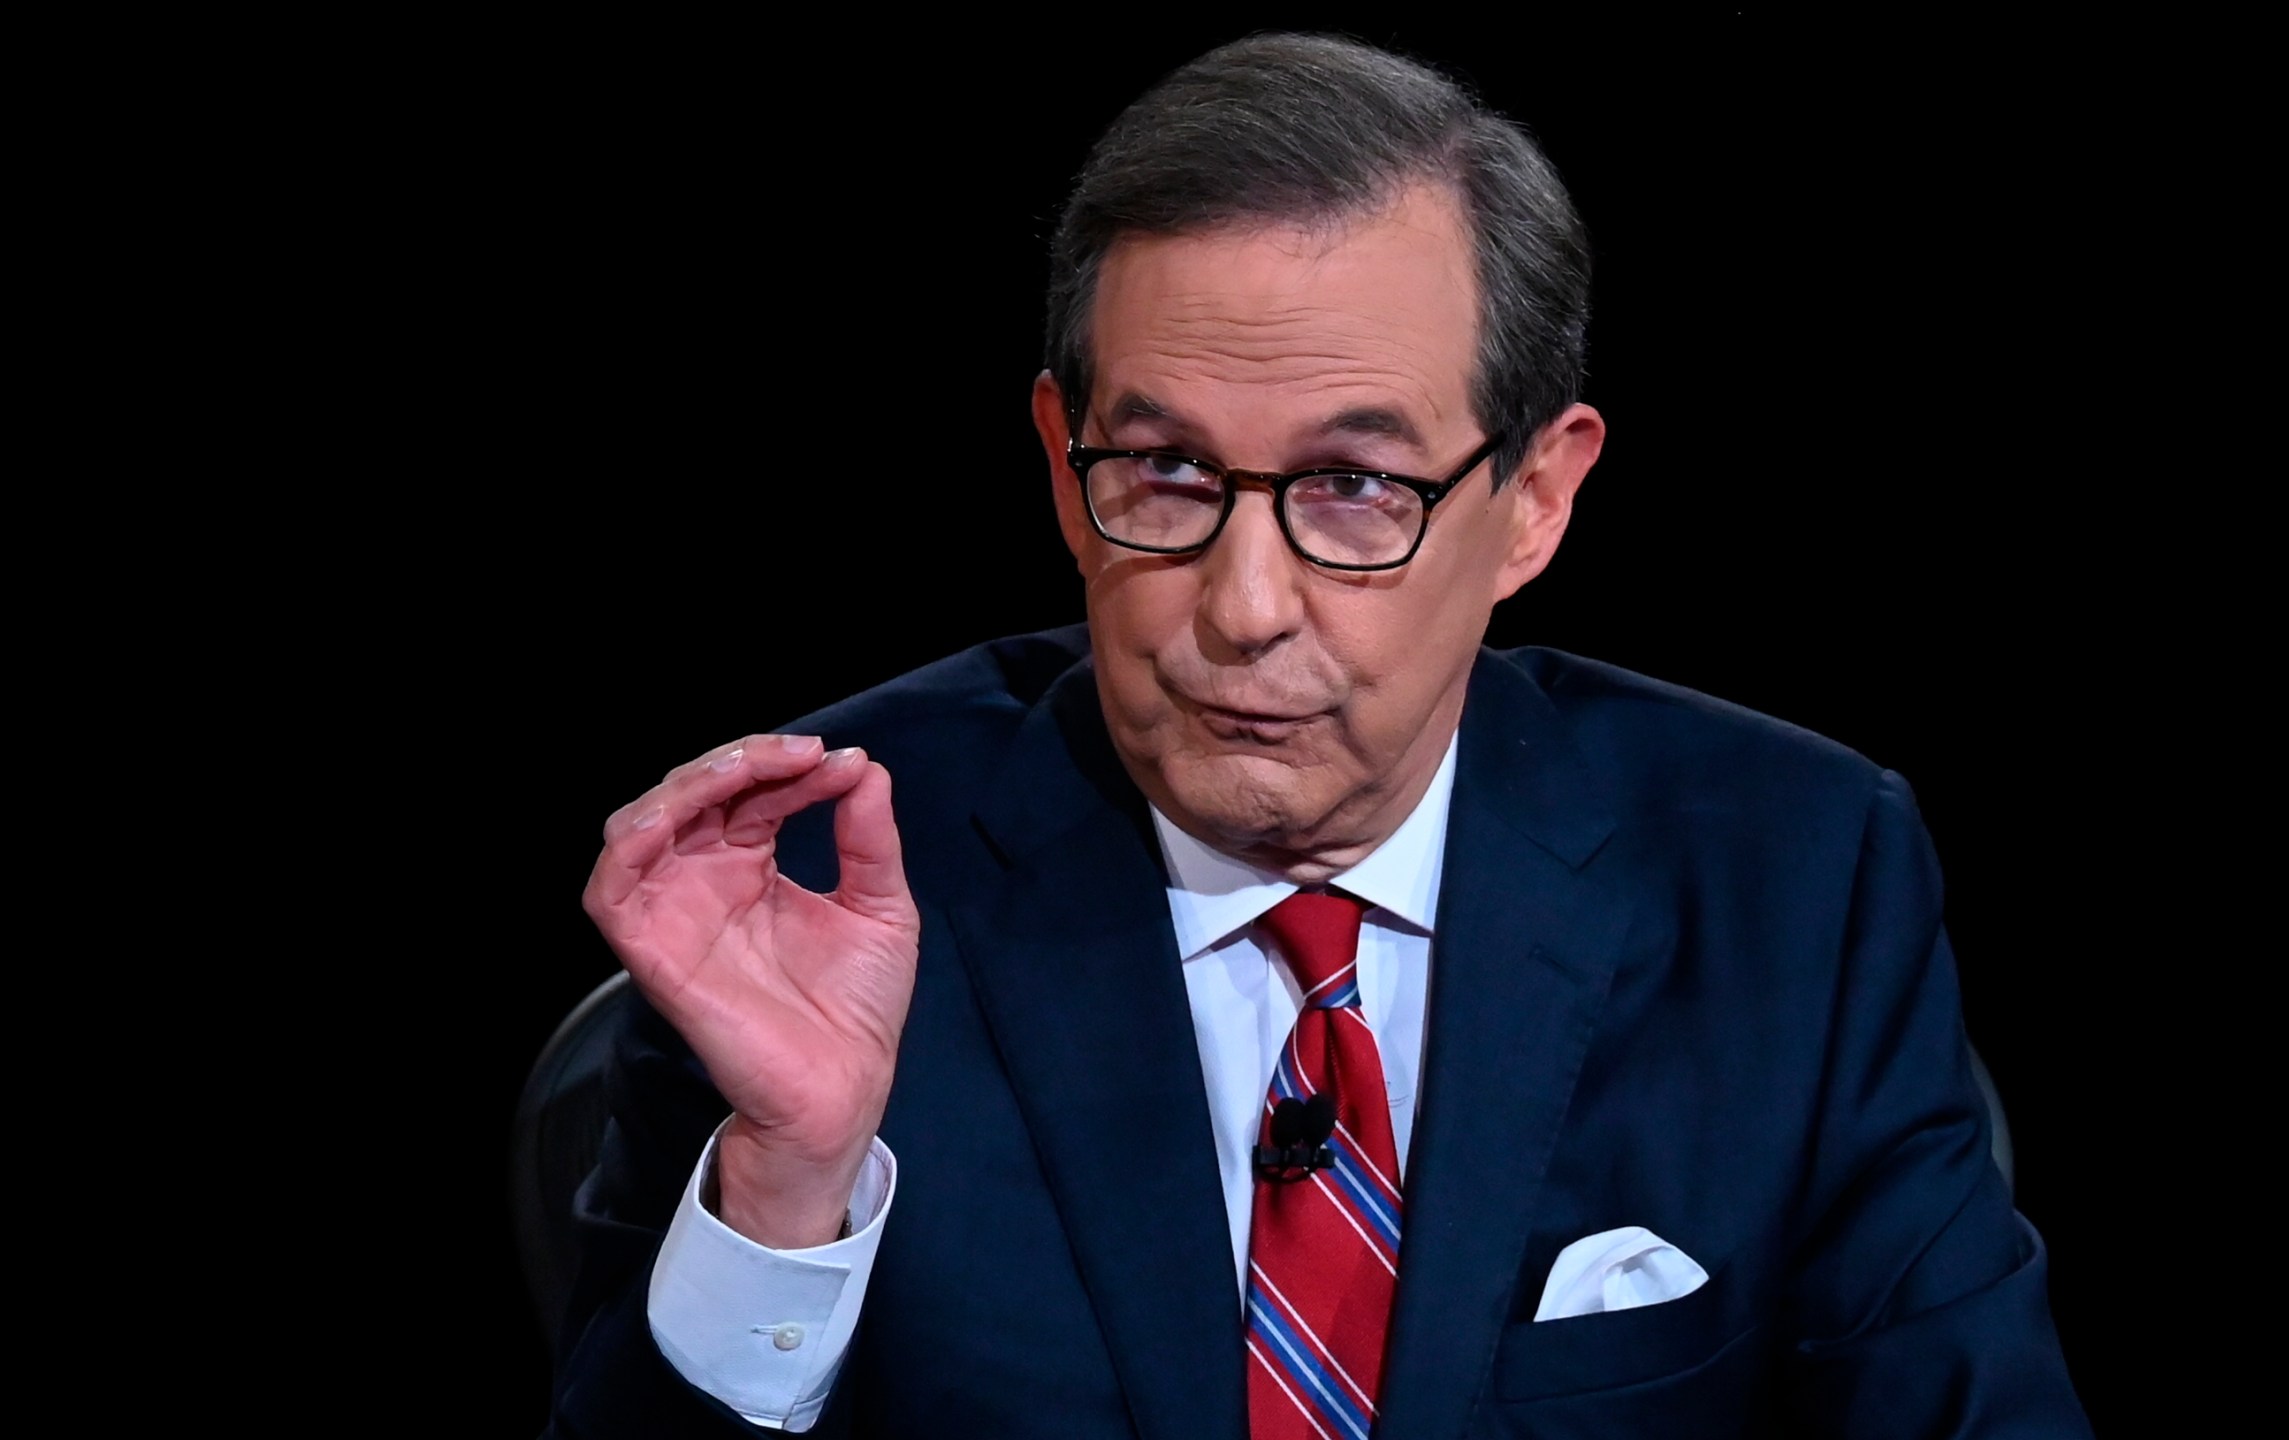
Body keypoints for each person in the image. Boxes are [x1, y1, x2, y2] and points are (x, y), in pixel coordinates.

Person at [550, 33, 2090, 1439]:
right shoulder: (820, 877)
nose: (1243, 606)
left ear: (1537, 498)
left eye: (1355, 489)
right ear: (1055, 457)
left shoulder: (1794, 880)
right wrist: (788, 1187)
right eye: (1162, 471)